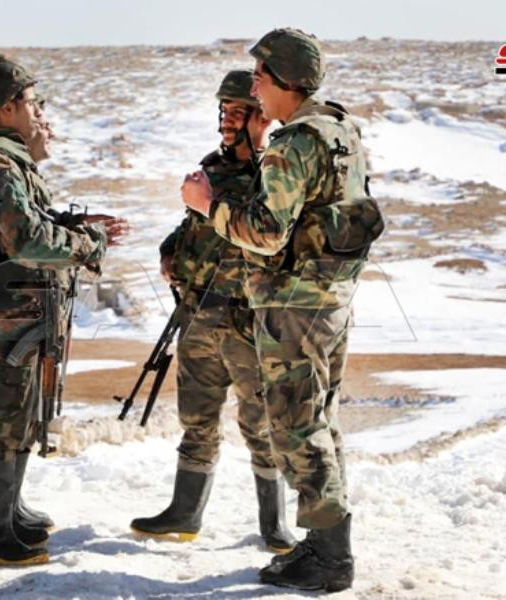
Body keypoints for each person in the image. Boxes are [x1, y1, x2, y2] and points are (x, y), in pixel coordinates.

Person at [181, 29, 384, 592]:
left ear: (285, 81)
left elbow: (267, 234)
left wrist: (209, 205)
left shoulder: (293, 143)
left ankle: (329, 558)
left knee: (296, 425)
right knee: (320, 419)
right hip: (331, 299)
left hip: (293, 304)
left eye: (260, 78)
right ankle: (324, 541)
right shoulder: (340, 129)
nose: (254, 89)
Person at [0, 54, 127, 566]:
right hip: (5, 312)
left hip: (13, 309)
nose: (37, 110)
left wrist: (75, 225)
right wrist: (87, 244)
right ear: (6, 107)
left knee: (21, 412)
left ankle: (8, 512)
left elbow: (22, 222)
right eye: (30, 101)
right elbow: (25, 239)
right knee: (5, 416)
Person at [130, 70, 296, 553]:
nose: (227, 121)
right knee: (196, 418)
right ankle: (184, 514)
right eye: (224, 111)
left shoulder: (275, 175)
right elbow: (192, 227)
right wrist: (170, 252)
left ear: (261, 118)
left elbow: (271, 239)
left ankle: (275, 525)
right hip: (200, 315)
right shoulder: (211, 168)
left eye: (237, 112)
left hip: (249, 322)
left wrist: (213, 207)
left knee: (260, 423)